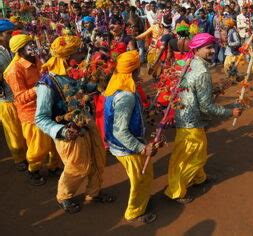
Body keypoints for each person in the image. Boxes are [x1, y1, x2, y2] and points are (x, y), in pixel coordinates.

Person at [35, 36, 115, 214]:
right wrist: (61, 131)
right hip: (68, 132)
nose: (82, 57)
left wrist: (98, 80)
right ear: (66, 57)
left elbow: (81, 92)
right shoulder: (47, 84)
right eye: (78, 53)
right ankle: (64, 196)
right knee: (77, 167)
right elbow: (40, 118)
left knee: (97, 158)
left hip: (86, 123)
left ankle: (94, 192)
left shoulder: (71, 73)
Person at [164, 33, 241, 203]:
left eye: (213, 47)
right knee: (194, 156)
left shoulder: (191, 62)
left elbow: (195, 91)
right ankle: (175, 191)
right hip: (191, 121)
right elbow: (206, 106)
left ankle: (199, 178)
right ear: (197, 49)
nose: (213, 51)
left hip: (183, 115)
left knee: (190, 152)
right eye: (209, 48)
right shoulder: (202, 72)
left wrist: (219, 87)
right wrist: (230, 112)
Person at [104, 50, 156, 224]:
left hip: (124, 144)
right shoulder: (125, 96)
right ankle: (134, 212)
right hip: (127, 147)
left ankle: (143, 202)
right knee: (139, 180)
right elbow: (120, 131)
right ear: (133, 71)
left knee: (145, 175)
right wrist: (142, 147)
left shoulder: (117, 84)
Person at [4, 34, 61, 185]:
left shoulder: (37, 60)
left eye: (32, 43)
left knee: (53, 141)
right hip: (31, 113)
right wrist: (39, 88)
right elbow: (20, 98)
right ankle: (33, 170)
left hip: (47, 106)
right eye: (29, 45)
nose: (33, 46)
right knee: (38, 146)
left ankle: (53, 166)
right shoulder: (13, 70)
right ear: (20, 50)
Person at [0, 20, 27, 171]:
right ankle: (19, 158)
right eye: (8, 34)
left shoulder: (15, 48)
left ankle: (29, 154)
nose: (12, 36)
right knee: (13, 131)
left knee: (25, 127)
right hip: (7, 99)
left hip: (21, 95)